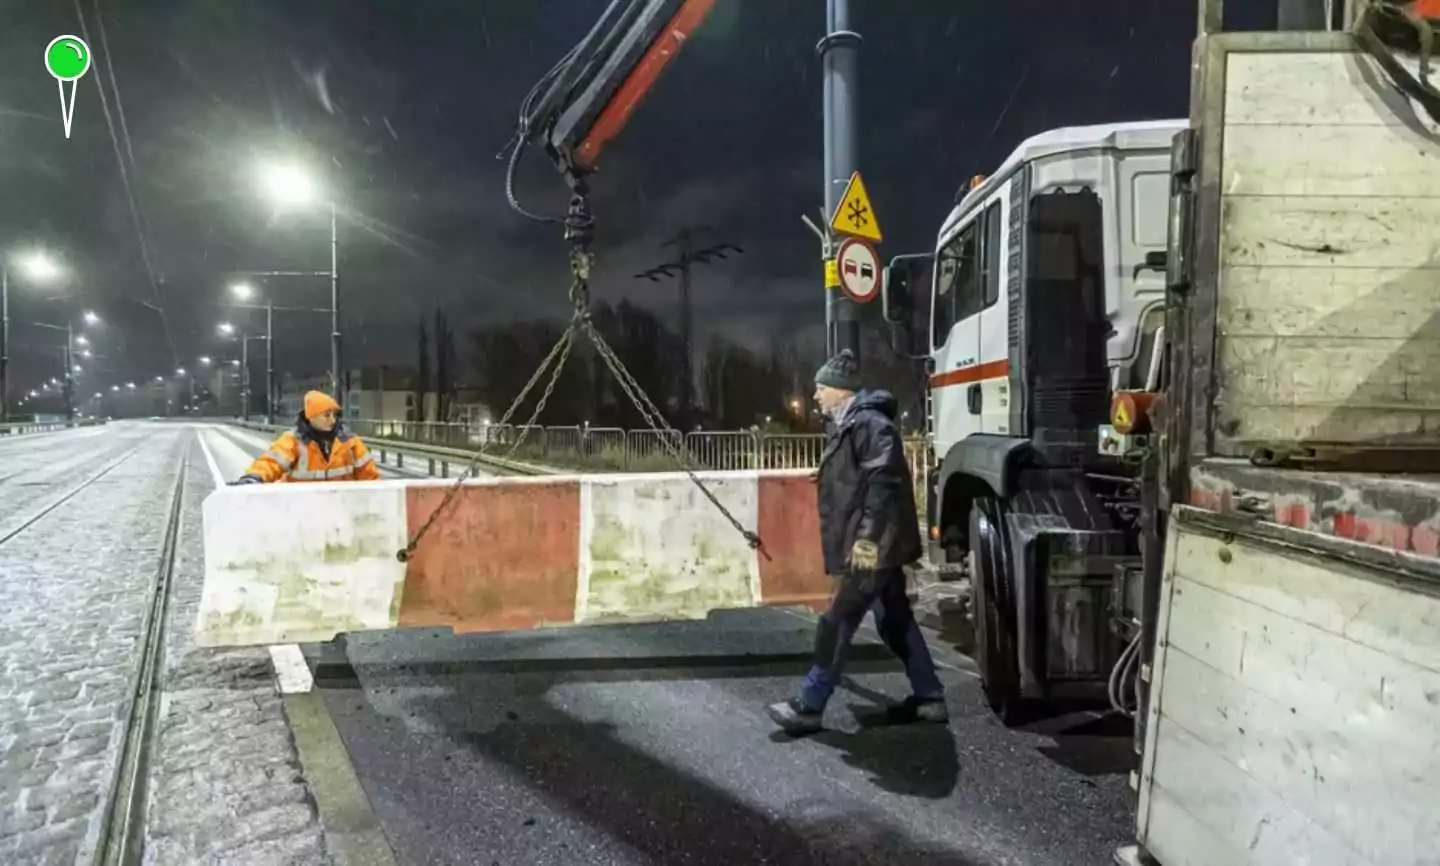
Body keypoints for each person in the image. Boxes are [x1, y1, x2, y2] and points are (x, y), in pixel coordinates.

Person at [767, 349, 947, 735]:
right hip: (877, 545)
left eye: (821, 389)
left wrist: (865, 543)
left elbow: (882, 488)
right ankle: (930, 696)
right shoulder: (851, 425)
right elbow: (861, 479)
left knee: (837, 620)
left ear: (840, 391)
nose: (815, 396)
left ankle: (809, 705)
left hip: (871, 548)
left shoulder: (869, 425)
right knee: (896, 620)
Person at [233, 390, 381, 484]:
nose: (333, 420)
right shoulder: (293, 441)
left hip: (340, 513)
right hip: (302, 514)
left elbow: (370, 477)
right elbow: (271, 463)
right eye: (326, 415)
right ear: (311, 416)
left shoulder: (350, 442)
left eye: (334, 415)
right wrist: (255, 477)